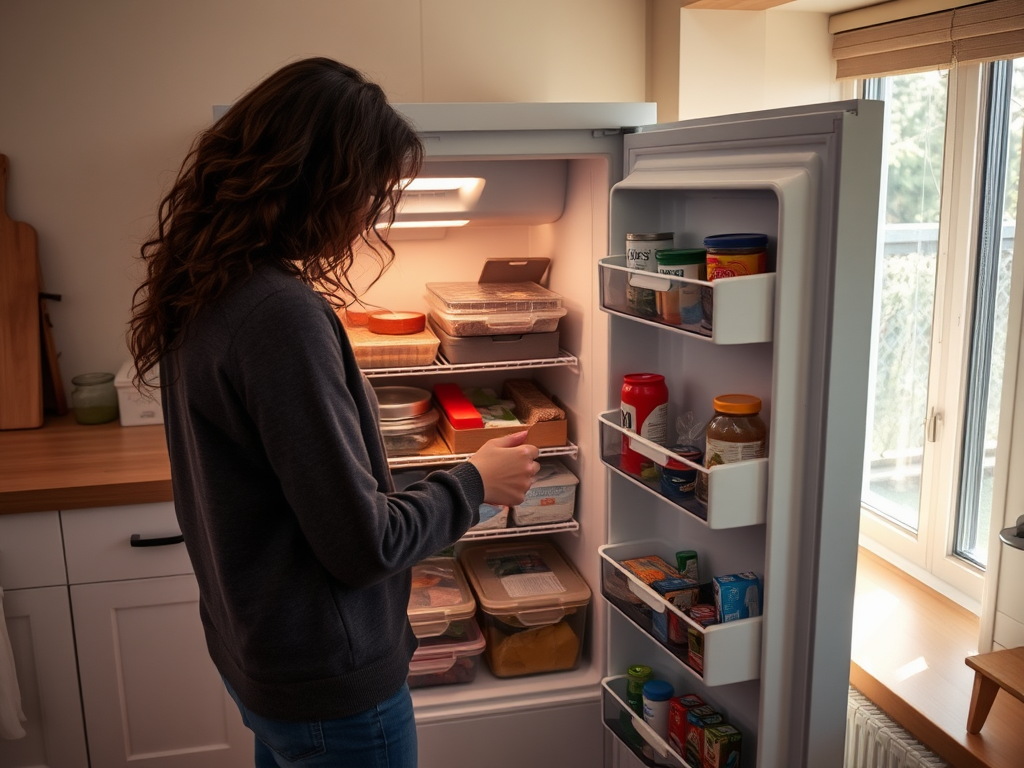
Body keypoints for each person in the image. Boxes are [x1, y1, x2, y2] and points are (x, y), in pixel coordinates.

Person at [127, 57, 540, 768]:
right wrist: (476, 482)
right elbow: (361, 544)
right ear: (319, 185)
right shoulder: (279, 317)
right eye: (368, 192)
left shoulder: (206, 284)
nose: (369, 215)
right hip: (329, 682)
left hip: (262, 652)